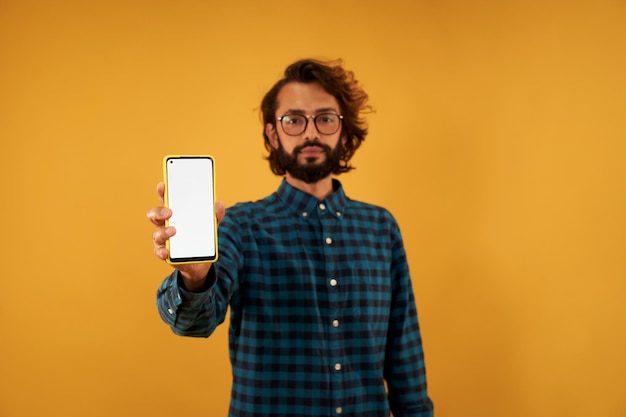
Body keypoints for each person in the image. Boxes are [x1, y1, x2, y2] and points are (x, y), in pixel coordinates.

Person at [147, 58, 434, 417]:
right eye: (294, 120)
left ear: (343, 132)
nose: (311, 133)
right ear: (273, 133)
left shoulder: (381, 227)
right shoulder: (241, 226)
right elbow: (194, 322)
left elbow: (404, 356)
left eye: (326, 118)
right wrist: (195, 277)